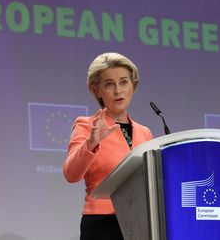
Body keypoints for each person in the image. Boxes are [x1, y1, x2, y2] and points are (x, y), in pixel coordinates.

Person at [63, 52, 153, 240]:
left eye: (123, 82)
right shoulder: (87, 125)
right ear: (97, 91)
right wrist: (91, 143)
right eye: (109, 84)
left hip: (140, 221)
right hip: (102, 225)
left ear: (133, 86)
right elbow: (71, 174)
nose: (118, 90)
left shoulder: (145, 132)